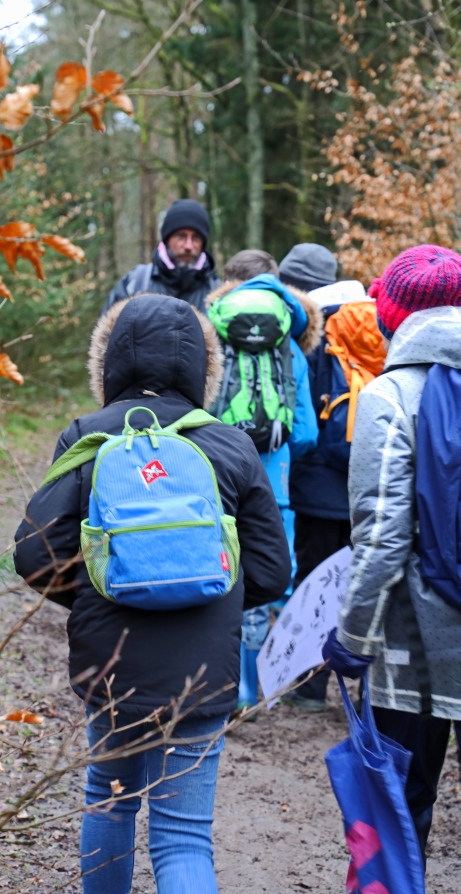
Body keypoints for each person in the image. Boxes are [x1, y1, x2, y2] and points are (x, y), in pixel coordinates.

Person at [14, 293, 290, 894]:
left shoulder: (88, 437)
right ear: (202, 366)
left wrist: (103, 585)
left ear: (109, 362)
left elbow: (35, 553)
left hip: (112, 666)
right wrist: (210, 593)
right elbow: (272, 570)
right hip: (203, 671)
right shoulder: (230, 445)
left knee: (109, 804)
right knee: (183, 835)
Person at [323, 244, 461, 861]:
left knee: (399, 815)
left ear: (392, 316)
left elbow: (380, 542)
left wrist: (351, 642)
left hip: (416, 651)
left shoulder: (388, 396)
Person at [206, 249, 322, 709]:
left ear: (229, 284)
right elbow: (308, 431)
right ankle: (247, 689)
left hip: (216, 474)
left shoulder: (213, 330)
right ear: (277, 284)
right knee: (259, 577)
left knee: (219, 567)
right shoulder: (290, 342)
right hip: (272, 482)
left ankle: (213, 676)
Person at [280, 243, 377, 712]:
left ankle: (310, 687)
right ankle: (369, 691)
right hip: (368, 479)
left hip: (319, 481)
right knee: (364, 583)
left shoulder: (309, 327)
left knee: (315, 582)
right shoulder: (373, 319)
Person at [101, 198, 221, 314]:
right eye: (181, 236)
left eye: (196, 237)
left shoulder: (218, 293)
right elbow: (107, 331)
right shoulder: (135, 283)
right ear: (167, 239)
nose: (188, 246)